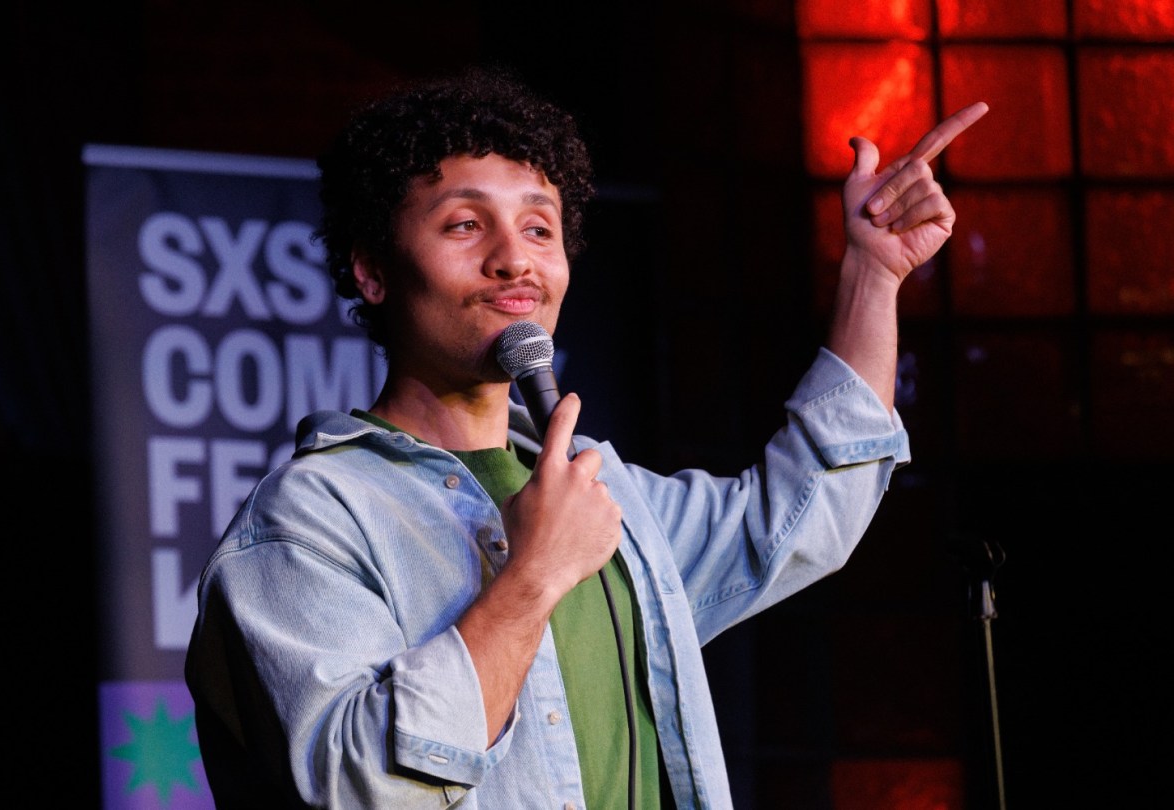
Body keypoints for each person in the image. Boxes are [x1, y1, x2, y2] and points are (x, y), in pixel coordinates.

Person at [184, 67, 987, 809]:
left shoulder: (601, 495)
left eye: (539, 229)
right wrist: (532, 576)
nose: (514, 261)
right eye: (464, 225)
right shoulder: (309, 517)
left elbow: (800, 517)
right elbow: (356, 786)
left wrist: (872, 277)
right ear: (371, 272)